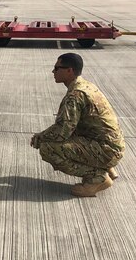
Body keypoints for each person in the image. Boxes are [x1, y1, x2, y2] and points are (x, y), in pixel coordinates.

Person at [30, 52, 125, 197]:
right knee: (71, 132)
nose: (53, 71)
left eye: (57, 68)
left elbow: (62, 132)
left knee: (48, 147)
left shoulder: (75, 95)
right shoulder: (87, 85)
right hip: (110, 144)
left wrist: (40, 137)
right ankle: (106, 168)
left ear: (69, 71)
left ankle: (97, 177)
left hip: (106, 149)